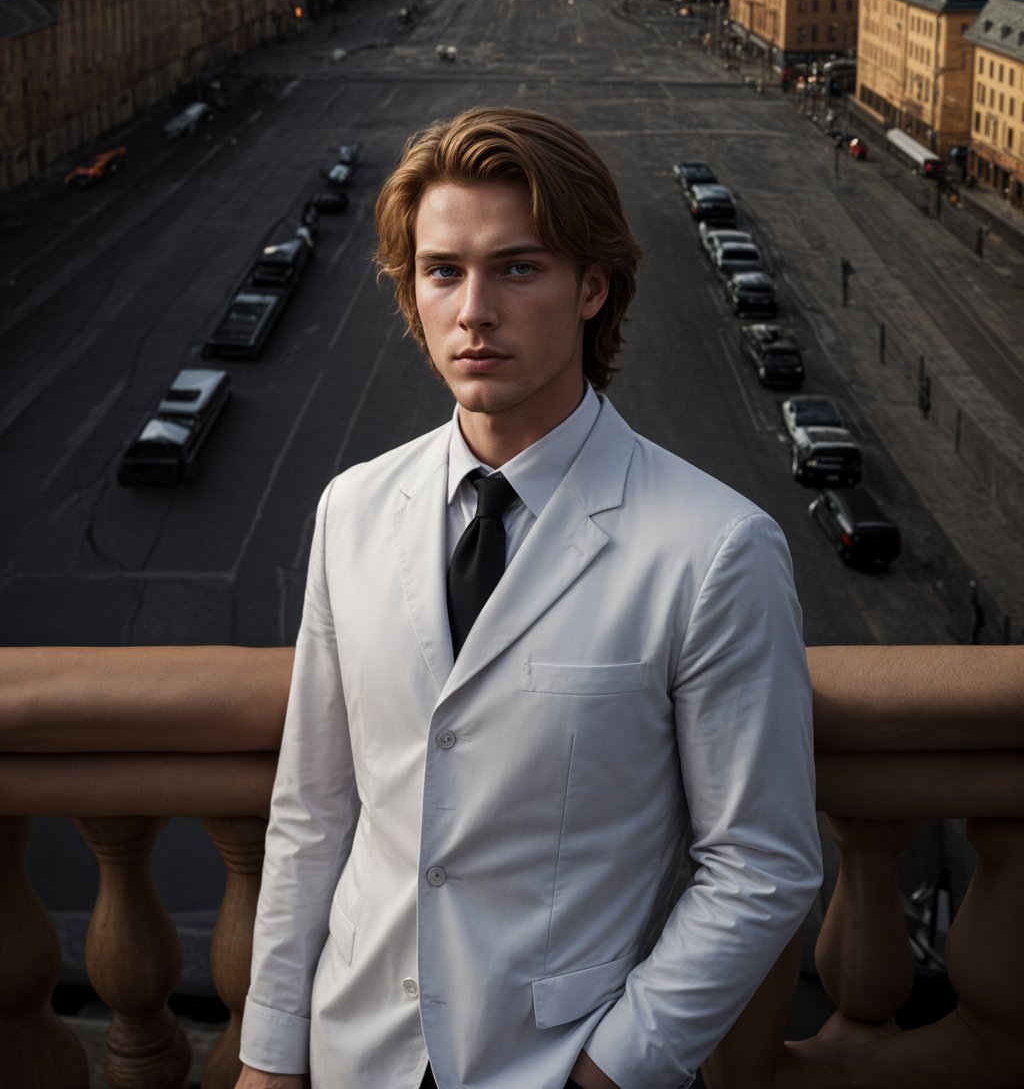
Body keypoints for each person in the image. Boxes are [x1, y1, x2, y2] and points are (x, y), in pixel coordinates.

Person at [236, 106, 821, 1089]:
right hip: (356, 1052)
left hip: (553, 1062)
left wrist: (610, 1068)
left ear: (592, 288)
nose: (474, 311)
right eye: (442, 271)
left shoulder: (714, 548)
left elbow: (761, 866)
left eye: (517, 268)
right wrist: (268, 1052)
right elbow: (314, 809)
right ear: (411, 292)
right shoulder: (354, 509)